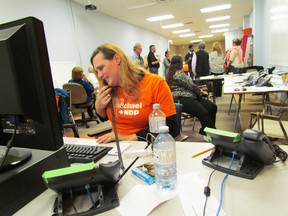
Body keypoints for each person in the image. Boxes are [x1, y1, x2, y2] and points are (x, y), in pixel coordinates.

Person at [90, 43, 176, 144]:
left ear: (117, 59)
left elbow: (170, 124)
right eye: (97, 71)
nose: (99, 75)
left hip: (144, 145)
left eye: (101, 68)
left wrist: (128, 137)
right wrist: (99, 109)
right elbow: (104, 117)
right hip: (117, 147)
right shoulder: (108, 87)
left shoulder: (155, 83)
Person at [166, 55, 217, 137]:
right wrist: (201, 91)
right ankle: (211, 134)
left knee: (212, 107)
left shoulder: (171, 73)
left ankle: (207, 129)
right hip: (184, 99)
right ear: (179, 64)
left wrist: (198, 92)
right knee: (204, 113)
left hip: (192, 96)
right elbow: (191, 85)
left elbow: (190, 85)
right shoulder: (178, 74)